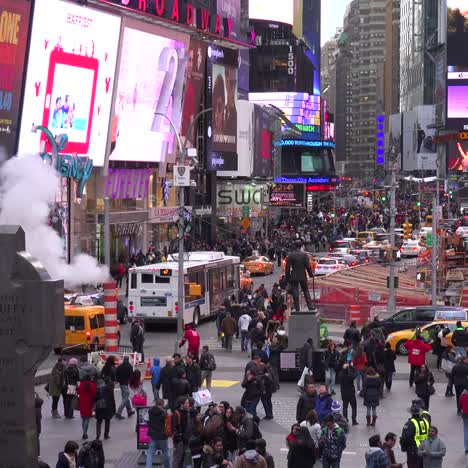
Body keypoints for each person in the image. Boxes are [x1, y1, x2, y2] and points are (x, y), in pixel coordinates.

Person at [284, 239, 315, 311]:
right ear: (301, 246)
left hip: (294, 275)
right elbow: (308, 266)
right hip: (302, 275)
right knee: (305, 290)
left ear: (294, 246)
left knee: (295, 291)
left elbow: (287, 268)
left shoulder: (291, 255)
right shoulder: (304, 255)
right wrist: (311, 275)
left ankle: (297, 308)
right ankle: (310, 306)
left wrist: (287, 278)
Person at [146, 399, 170, 468]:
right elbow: (167, 423)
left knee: (150, 453)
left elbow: (146, 419)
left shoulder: (150, 411)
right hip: (162, 435)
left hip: (153, 434)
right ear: (162, 405)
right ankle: (167, 466)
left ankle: (148, 466)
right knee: (165, 452)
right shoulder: (164, 413)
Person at [95, 376, 116, 440]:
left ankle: (98, 435)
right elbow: (112, 399)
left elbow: (95, 398)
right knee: (107, 421)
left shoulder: (99, 388)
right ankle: (106, 435)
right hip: (107, 406)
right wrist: (114, 408)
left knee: (99, 421)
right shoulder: (110, 389)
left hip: (100, 406)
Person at [77, 375, 97, 440]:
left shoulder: (81, 384)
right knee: (87, 418)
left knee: (83, 418)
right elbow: (94, 394)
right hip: (89, 402)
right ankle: (85, 432)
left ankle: (84, 432)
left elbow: (78, 392)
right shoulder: (92, 384)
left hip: (82, 402)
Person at [115, 355, 134, 420]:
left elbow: (116, 373)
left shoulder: (120, 366)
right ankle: (118, 412)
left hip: (121, 384)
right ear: (128, 360)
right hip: (125, 384)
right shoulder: (129, 366)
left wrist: (118, 380)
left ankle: (129, 411)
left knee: (125, 397)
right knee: (125, 398)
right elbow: (131, 376)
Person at [460, 387, 468, 453]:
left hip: (465, 414)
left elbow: (460, 405)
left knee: (466, 430)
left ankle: (466, 447)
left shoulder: (463, 396)